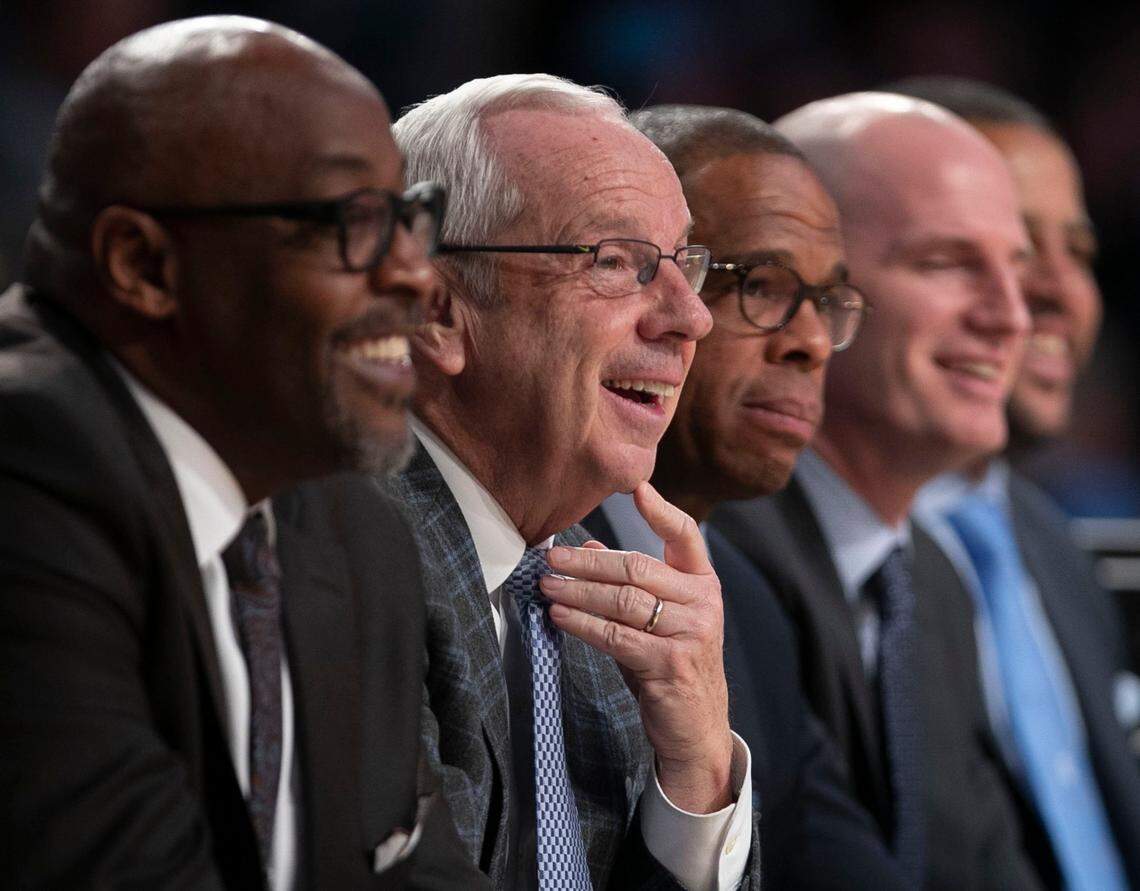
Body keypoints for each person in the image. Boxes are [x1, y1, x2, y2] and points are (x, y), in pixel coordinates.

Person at [0, 16, 482, 889]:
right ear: (143, 263)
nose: (416, 272)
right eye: (353, 220)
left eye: (411, 218)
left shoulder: (354, 530)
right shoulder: (27, 463)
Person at [386, 75, 760, 889]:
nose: (690, 316)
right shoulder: (349, 553)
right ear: (436, 310)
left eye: (682, 264)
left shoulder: (600, 607)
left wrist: (695, 770)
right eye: (617, 262)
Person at [712, 92, 1043, 890]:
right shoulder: (720, 556)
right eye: (947, 263)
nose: (1012, 317)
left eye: (1017, 269)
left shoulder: (931, 575)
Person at [581, 104, 910, 889]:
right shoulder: (512, 557)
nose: (811, 342)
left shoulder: (751, 605)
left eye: (829, 304)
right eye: (759, 284)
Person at [888, 76, 1140, 890]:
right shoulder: (811, 560)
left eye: (1079, 252)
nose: (1056, 295)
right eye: (991, 253)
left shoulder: (1046, 543)